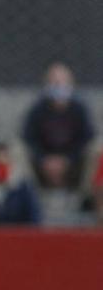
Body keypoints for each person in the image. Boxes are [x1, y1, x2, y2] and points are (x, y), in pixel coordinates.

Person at [21, 62, 95, 192]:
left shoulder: (80, 109)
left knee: (98, 149)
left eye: (62, 82)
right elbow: (28, 139)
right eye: (54, 82)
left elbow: (87, 139)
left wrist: (67, 160)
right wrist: (44, 159)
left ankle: (88, 198)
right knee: (17, 151)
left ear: (71, 84)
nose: (58, 86)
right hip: (42, 165)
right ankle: (30, 198)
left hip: (74, 165)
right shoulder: (37, 109)